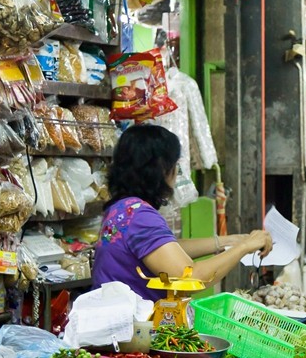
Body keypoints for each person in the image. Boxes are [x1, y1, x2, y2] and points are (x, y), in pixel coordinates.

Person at [93, 125, 273, 300]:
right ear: (162, 170)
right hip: (133, 326)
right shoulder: (140, 217)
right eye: (176, 167)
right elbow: (189, 278)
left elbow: (165, 250)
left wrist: (229, 242)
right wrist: (244, 247)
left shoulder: (122, 209)